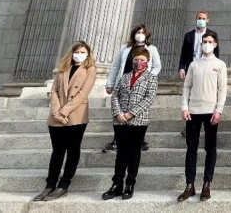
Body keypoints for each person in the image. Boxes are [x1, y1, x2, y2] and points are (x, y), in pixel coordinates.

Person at [33, 41, 97, 202]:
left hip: (76, 115)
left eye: (83, 52)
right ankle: (50, 184)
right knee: (57, 151)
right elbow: (54, 90)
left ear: (88, 54)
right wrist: (56, 111)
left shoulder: (90, 69)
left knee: (73, 149)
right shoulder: (63, 68)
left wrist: (64, 111)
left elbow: (83, 94)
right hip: (56, 115)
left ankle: (64, 184)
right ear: (72, 52)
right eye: (77, 51)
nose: (79, 55)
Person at [102, 48, 158, 201]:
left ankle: (130, 184)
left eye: (141, 60)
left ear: (147, 62)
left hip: (138, 121)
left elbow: (149, 98)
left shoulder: (151, 78)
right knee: (121, 153)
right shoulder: (125, 77)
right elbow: (115, 95)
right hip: (120, 121)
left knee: (134, 153)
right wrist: (118, 113)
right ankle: (116, 184)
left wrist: (130, 113)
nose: (138, 62)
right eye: (136, 59)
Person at [177, 31, 227, 202]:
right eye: (204, 41)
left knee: (210, 148)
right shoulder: (193, 64)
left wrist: (219, 110)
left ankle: (207, 183)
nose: (206, 43)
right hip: (193, 111)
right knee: (191, 148)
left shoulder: (220, 64)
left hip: (211, 111)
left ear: (215, 44)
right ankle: (189, 185)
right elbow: (187, 87)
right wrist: (184, 107)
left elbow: (222, 89)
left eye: (210, 41)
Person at [103, 24, 161, 152]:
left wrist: (148, 77)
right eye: (137, 32)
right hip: (124, 83)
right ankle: (116, 140)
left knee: (138, 113)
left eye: (142, 32)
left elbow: (157, 66)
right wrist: (110, 83)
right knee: (120, 113)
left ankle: (141, 140)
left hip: (141, 84)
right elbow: (116, 66)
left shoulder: (151, 49)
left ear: (146, 35)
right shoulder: (125, 48)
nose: (140, 34)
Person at [178, 10, 220, 136]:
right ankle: (189, 125)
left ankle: (207, 120)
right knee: (190, 94)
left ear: (207, 20)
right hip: (193, 66)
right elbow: (184, 53)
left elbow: (216, 53)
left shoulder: (212, 35)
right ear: (196, 19)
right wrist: (181, 67)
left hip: (207, 67)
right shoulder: (189, 35)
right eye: (199, 17)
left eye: (203, 18)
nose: (201, 20)